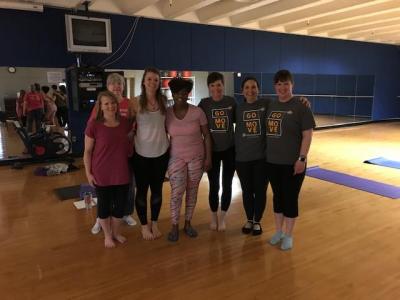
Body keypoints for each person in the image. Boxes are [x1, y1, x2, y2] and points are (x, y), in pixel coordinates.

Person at [266, 70, 315, 251]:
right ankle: (278, 231)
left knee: (290, 199)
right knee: (277, 198)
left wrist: (301, 159)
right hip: (272, 162)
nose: (282, 87)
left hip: (293, 163)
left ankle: (288, 235)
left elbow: (307, 136)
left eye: (285, 83)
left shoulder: (302, 107)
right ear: (274, 86)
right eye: (278, 84)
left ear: (292, 85)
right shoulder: (271, 105)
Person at [84, 90, 133, 248]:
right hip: (101, 172)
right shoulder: (94, 125)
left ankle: (116, 232)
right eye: (107, 103)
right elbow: (87, 151)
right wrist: (88, 173)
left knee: (120, 207)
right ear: (101, 106)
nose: (111, 106)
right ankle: (107, 235)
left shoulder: (125, 123)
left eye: (113, 103)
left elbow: (130, 138)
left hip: (122, 172)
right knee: (104, 207)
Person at [166, 77, 212, 242]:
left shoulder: (197, 112)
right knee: (176, 192)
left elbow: (206, 135)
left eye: (184, 92)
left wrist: (208, 158)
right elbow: (162, 136)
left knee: (192, 191)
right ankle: (174, 225)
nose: (180, 95)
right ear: (172, 93)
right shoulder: (167, 113)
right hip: (176, 157)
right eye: (177, 92)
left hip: (196, 157)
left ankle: (188, 223)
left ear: (188, 94)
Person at [90, 73, 137, 235]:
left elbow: (134, 124)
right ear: (108, 87)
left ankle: (125, 213)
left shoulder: (129, 103)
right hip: (105, 156)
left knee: (128, 187)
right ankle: (100, 219)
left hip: (125, 153)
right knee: (104, 192)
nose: (116, 87)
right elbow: (93, 130)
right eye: (113, 84)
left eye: (119, 84)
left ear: (123, 87)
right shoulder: (100, 105)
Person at [130, 67, 170, 240]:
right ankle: (144, 226)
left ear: (159, 82)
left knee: (157, 191)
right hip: (141, 154)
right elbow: (127, 127)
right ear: (143, 81)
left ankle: (154, 222)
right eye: (149, 79)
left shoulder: (164, 101)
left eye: (155, 79)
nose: (152, 82)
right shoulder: (135, 102)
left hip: (161, 153)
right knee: (141, 192)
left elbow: (169, 125)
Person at [198, 72, 236, 231]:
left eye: (218, 84)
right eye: (212, 85)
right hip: (212, 151)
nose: (216, 88)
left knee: (227, 185)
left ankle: (222, 217)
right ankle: (213, 216)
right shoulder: (204, 104)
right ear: (208, 88)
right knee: (214, 186)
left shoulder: (231, 102)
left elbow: (241, 120)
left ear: (223, 85)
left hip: (229, 150)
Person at [235, 77, 269, 236]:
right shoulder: (238, 108)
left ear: (258, 89)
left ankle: (257, 221)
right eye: (247, 87)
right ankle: (249, 219)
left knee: (260, 191)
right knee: (247, 191)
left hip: (261, 158)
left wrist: (302, 100)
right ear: (242, 91)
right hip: (242, 159)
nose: (250, 90)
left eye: (253, 87)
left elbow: (285, 104)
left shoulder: (266, 104)